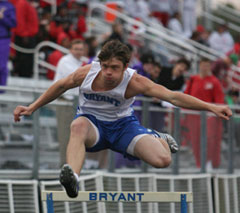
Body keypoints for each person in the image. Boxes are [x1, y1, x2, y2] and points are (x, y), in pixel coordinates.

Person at [14, 40, 232, 197]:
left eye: (114, 68)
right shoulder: (87, 73)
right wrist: (32, 107)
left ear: (126, 67)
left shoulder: (135, 81)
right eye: (105, 66)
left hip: (123, 128)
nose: (108, 72)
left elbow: (173, 96)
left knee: (163, 161)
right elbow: (60, 86)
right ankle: (73, 179)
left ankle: (158, 138)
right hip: (93, 125)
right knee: (77, 125)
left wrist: (211, 107)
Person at [184, 58, 226, 170]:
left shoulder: (214, 81)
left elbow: (219, 101)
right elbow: (186, 96)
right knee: (195, 139)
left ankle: (210, 162)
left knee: (210, 139)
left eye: (207, 65)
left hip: (209, 117)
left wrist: (214, 112)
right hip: (193, 116)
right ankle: (199, 163)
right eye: (203, 65)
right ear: (199, 66)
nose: (205, 68)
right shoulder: (193, 79)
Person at [54, 39, 88, 167]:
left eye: (81, 49)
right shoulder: (65, 61)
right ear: (70, 50)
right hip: (66, 102)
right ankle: (65, 165)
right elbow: (78, 79)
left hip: (76, 103)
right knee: (66, 136)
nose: (79, 52)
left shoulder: (81, 63)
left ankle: (76, 165)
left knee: (77, 137)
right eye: (76, 49)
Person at [0, 0, 16, 90]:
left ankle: (1, 91)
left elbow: (13, 23)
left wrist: (2, 17)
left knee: (1, 66)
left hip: (3, 38)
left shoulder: (8, 6)